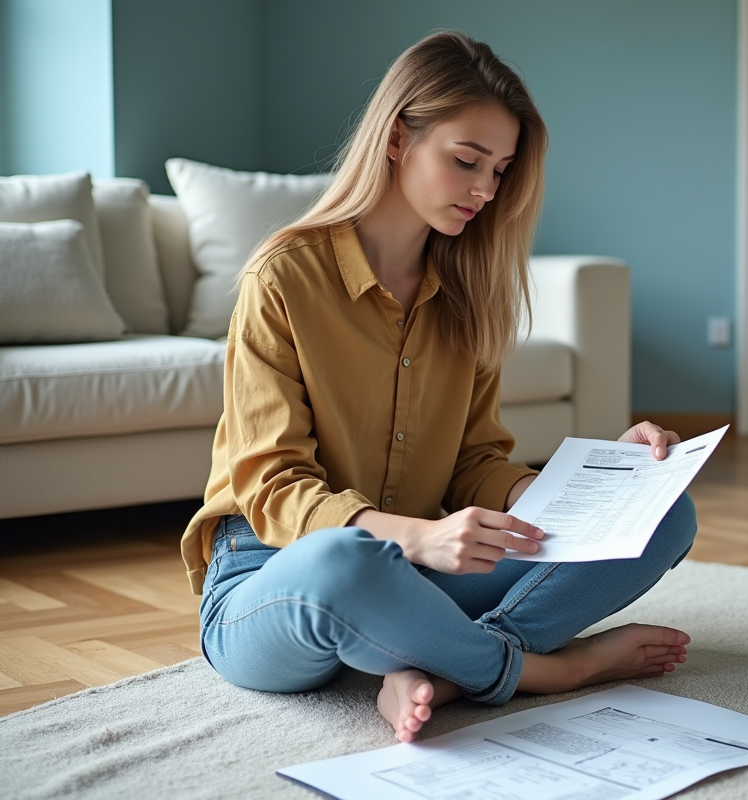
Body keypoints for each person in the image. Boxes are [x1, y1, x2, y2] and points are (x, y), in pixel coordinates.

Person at [180, 30, 697, 743]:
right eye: (467, 161)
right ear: (397, 139)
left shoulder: (467, 294)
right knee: (345, 559)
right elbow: (271, 487)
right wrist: (419, 540)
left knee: (669, 513)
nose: (486, 190)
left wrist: (605, 485)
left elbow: (475, 463)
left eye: (501, 170)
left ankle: (444, 670)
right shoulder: (282, 279)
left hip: (419, 579)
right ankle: (544, 669)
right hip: (280, 581)